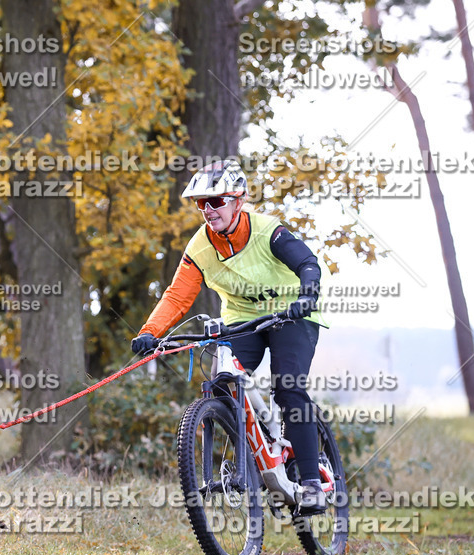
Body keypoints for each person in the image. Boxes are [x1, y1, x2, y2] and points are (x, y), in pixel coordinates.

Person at [131, 160, 328, 515]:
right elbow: (177, 296)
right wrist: (149, 332)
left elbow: (307, 264)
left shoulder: (267, 230)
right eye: (201, 203)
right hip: (240, 319)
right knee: (223, 385)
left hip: (290, 313)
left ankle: (312, 480)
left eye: (217, 201)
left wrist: (307, 295)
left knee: (287, 385)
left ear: (239, 200)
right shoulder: (200, 246)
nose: (208, 209)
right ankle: (255, 462)